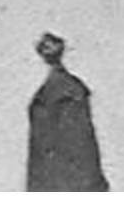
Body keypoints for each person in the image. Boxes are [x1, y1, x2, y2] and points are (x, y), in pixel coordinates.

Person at [26, 32, 110, 192]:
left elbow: (83, 139)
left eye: (49, 46)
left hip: (70, 174)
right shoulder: (46, 93)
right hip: (49, 173)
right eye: (43, 47)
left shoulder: (70, 90)